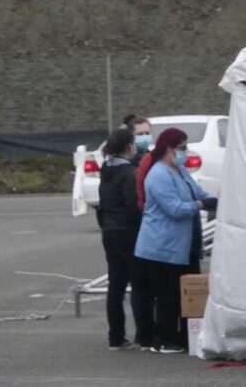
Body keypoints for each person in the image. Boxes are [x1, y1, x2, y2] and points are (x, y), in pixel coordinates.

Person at [133, 128, 217, 354]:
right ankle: (164, 339)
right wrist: (201, 205)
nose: (185, 152)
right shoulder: (158, 175)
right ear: (169, 148)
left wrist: (215, 200)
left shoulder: (180, 171)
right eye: (181, 148)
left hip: (184, 246)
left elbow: (198, 192)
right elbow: (175, 209)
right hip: (161, 246)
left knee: (184, 294)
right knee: (167, 295)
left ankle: (183, 336)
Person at [97, 129, 148, 350]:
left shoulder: (106, 169)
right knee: (139, 284)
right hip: (128, 232)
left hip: (110, 231)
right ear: (128, 146)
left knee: (115, 285)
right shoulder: (128, 172)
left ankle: (115, 337)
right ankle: (143, 334)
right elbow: (133, 206)